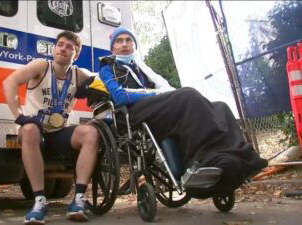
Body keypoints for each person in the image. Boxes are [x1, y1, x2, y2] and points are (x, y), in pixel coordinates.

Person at [98, 26, 268, 197]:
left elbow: (163, 88)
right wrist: (155, 93)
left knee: (220, 107)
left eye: (129, 40)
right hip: (133, 112)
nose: (125, 44)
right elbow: (119, 97)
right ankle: (203, 160)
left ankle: (236, 157)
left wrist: (160, 93)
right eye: (119, 41)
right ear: (113, 48)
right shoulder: (107, 68)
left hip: (156, 108)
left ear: (135, 45)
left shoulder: (141, 66)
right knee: (188, 94)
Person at [3, 31, 98, 224]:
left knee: (91, 132)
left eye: (70, 47)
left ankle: (79, 199)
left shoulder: (80, 74)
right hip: (35, 132)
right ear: (54, 48)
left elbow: (104, 86)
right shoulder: (41, 66)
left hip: (59, 133)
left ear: (76, 54)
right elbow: (10, 82)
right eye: (60, 44)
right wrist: (19, 116)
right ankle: (39, 201)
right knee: (29, 130)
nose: (63, 48)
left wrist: (91, 89)